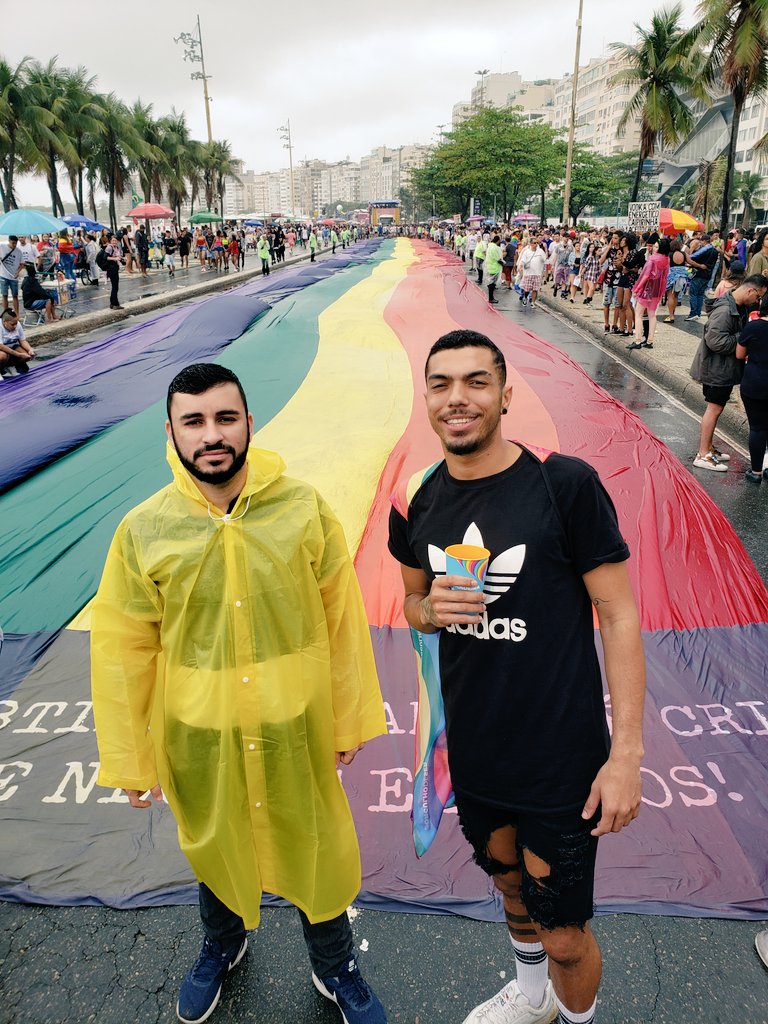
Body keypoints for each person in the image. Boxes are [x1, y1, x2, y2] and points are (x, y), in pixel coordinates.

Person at [91, 362, 388, 1024]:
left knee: (320, 852)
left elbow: (341, 621)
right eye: (194, 422)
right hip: (201, 737)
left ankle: (335, 964)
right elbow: (122, 649)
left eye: (225, 418)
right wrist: (132, 755)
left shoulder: (303, 508)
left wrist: (347, 719)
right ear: (170, 433)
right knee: (216, 845)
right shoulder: (143, 530)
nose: (212, 435)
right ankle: (222, 946)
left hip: (297, 730)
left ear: (250, 423)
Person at [388, 330, 644, 1024]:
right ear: (428, 398)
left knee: (564, 935)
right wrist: (428, 609)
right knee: (507, 887)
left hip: (561, 759)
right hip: (474, 751)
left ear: (506, 395)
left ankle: (573, 1012)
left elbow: (619, 615)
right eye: (440, 383)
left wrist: (627, 755)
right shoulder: (415, 499)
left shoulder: (563, 485)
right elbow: (411, 606)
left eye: (476, 381)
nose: (457, 398)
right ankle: (532, 1001)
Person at [689, 274, 767, 472]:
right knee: (713, 408)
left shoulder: (736, 305)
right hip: (716, 367)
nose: (757, 301)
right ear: (751, 290)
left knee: (717, 407)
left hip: (722, 367)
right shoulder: (725, 310)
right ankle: (702, 454)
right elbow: (715, 341)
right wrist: (742, 338)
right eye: (758, 297)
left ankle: (709, 448)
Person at [735, 290, 768, 482]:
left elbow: (740, 354)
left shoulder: (753, 327)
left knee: (757, 428)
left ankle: (755, 472)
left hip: (755, 382)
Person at [627, 238, 670, 351]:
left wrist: (637, 288)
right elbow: (665, 277)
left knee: (639, 314)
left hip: (647, 289)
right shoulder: (667, 260)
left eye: (656, 247)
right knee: (652, 314)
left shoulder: (652, 259)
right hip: (657, 290)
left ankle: (637, 340)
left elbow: (645, 276)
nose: (654, 249)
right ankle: (650, 340)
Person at [685, 233, 719, 323]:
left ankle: (693, 313)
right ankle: (698, 313)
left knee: (693, 293)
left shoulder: (705, 249)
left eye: (701, 242)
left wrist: (687, 253)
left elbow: (692, 257)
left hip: (699, 274)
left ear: (704, 241)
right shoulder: (715, 250)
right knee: (700, 294)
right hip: (708, 275)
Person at [0, 308, 36, 374]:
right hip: (2, 349)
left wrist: (30, 349)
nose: (15, 326)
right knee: (2, 356)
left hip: (12, 346)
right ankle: (2, 367)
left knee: (27, 356)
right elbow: (1, 346)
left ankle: (15, 365)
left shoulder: (17, 324)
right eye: (12, 324)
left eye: (16, 323)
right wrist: (19, 355)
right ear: (5, 322)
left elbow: (22, 340)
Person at [518, 238, 546, 307]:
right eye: (534, 243)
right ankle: (525, 297)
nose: (536, 244)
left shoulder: (540, 251)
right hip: (528, 273)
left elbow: (544, 259)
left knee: (535, 289)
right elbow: (523, 260)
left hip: (537, 273)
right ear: (530, 244)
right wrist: (521, 266)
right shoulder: (526, 252)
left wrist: (542, 256)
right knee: (527, 289)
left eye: (537, 243)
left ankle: (533, 302)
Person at [0, 235, 24, 316]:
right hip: (3, 275)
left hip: (13, 277)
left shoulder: (18, 251)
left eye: (15, 243)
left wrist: (18, 272)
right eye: (13, 243)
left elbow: (22, 264)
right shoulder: (2, 247)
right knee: (4, 295)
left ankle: (17, 313)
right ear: (9, 241)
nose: (14, 245)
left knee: (15, 295)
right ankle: (5, 314)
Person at [102, 234, 123, 310]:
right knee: (115, 287)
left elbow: (117, 257)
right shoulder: (109, 247)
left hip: (114, 268)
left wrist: (120, 259)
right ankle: (115, 304)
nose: (114, 242)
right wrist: (114, 259)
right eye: (113, 240)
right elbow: (105, 257)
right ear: (110, 241)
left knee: (115, 287)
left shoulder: (116, 248)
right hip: (111, 268)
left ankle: (112, 303)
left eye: (115, 240)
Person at [485, 235, 503, 305]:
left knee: (491, 283)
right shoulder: (494, 248)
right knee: (492, 284)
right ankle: (491, 298)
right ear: (498, 241)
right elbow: (497, 258)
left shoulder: (490, 246)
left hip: (490, 266)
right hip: (494, 267)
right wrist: (503, 263)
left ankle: (491, 297)